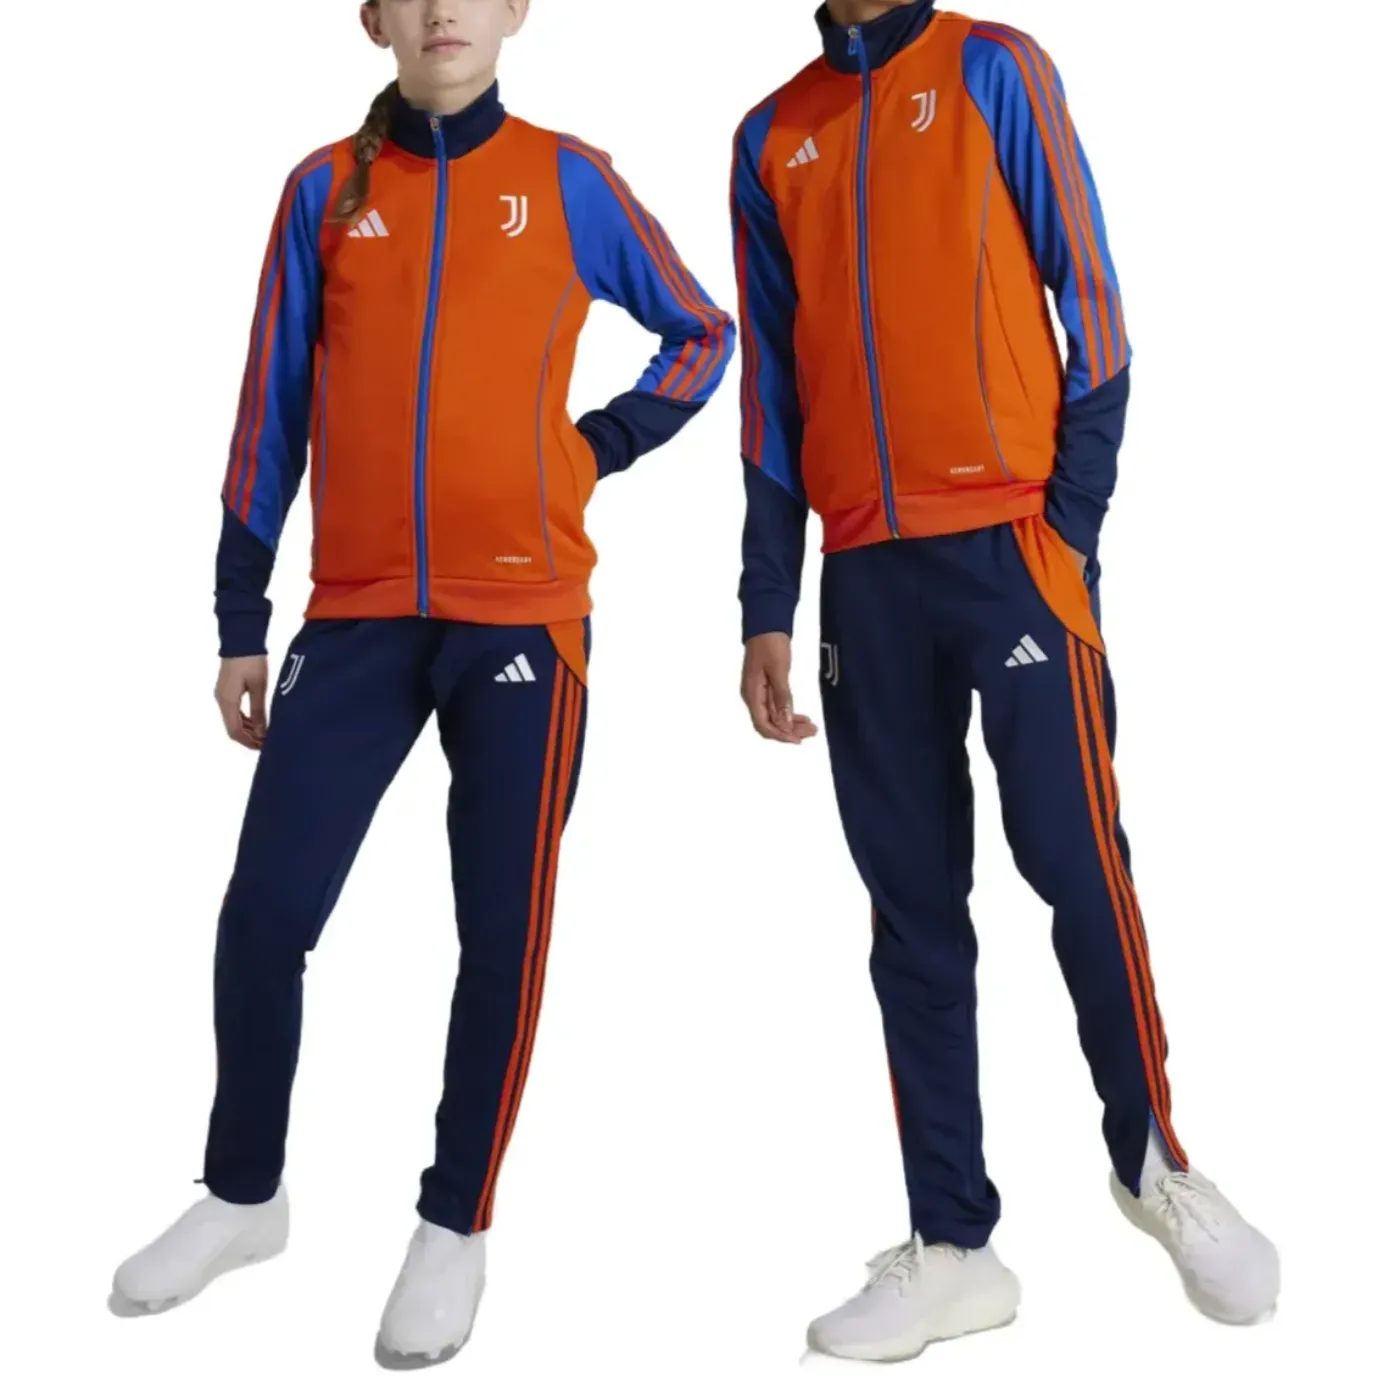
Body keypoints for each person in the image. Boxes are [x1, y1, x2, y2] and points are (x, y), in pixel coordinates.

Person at [112, 0, 732, 1367]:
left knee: (498, 931)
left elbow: (701, 329)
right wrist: (239, 616)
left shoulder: (568, 179)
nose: (444, 8)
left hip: (524, 616)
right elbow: (270, 404)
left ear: (515, 10)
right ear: (375, 19)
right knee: (265, 913)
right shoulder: (322, 192)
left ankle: (455, 1222)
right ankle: (243, 1195)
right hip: (358, 615)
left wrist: (594, 446)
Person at [731, 0, 1277, 1360]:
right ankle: (953, 1246)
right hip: (865, 575)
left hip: (1013, 548)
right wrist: (767, 601)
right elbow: (773, 396)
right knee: (911, 912)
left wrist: (1065, 532)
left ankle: (1155, 1167)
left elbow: (1094, 312)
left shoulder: (995, 70)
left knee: (1079, 865)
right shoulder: (771, 136)